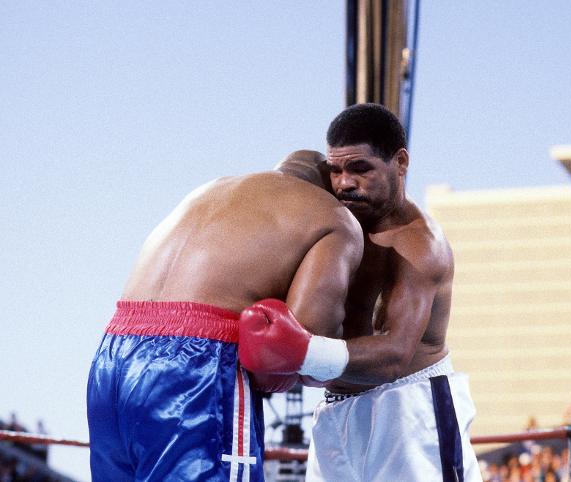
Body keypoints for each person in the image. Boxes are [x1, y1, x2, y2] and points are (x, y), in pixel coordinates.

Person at [86, 151, 363, 482]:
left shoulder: (211, 190)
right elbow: (306, 348)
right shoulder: (333, 216)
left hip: (114, 357)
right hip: (197, 362)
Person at [243, 103, 481, 481]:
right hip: (337, 409)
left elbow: (395, 354)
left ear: (400, 162)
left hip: (407, 406)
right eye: (335, 170)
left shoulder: (419, 245)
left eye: (360, 169)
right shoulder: (335, 229)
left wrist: (302, 352)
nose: (344, 183)